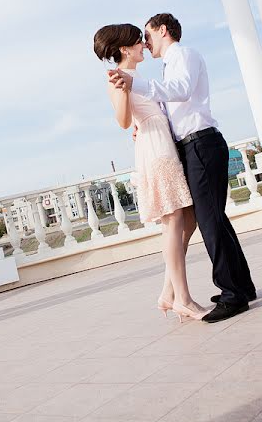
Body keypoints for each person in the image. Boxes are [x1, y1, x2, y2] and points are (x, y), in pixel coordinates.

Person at [109, 13, 256, 323]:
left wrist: (137, 86)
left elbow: (182, 89)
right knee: (209, 219)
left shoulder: (184, 55)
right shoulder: (159, 69)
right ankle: (239, 286)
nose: (145, 43)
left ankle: (231, 293)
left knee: (207, 220)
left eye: (147, 35)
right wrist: (142, 123)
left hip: (200, 142)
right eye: (139, 40)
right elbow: (154, 107)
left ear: (163, 30)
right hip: (183, 147)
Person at [93, 23, 208, 321]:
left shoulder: (137, 76)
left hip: (162, 141)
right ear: (124, 49)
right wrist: (124, 96)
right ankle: (183, 298)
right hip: (154, 149)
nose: (144, 45)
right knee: (172, 221)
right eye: (138, 42)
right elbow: (122, 120)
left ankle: (169, 292)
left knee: (189, 218)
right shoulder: (119, 77)